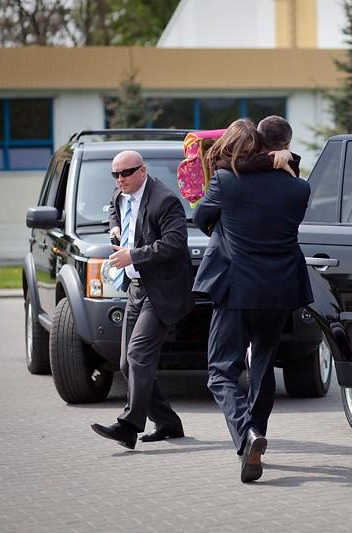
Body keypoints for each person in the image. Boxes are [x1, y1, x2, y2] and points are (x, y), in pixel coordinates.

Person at [192, 117, 313, 482]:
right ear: (287, 144)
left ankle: (247, 434)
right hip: (280, 289)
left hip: (236, 288)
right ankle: (256, 433)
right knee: (262, 365)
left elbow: (201, 218)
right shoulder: (300, 188)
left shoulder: (227, 180)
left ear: (258, 143)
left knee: (221, 370)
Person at [91, 150, 195, 449]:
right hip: (136, 287)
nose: (120, 179)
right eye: (116, 174)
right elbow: (115, 208)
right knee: (127, 363)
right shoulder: (121, 194)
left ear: (142, 170)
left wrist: (132, 254)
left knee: (138, 355)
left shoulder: (165, 200)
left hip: (162, 290)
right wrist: (114, 226)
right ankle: (168, 423)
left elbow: (175, 243)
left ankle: (129, 426)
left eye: (126, 173)